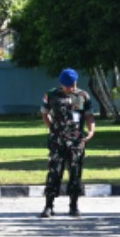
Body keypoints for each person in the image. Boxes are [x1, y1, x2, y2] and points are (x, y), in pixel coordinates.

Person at [40, 69, 95, 218]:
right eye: (67, 85)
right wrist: (52, 128)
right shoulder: (51, 94)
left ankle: (74, 205)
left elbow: (89, 116)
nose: (70, 88)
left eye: (72, 85)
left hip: (77, 141)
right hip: (58, 141)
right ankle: (49, 206)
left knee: (75, 173)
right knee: (54, 172)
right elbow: (45, 113)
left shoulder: (83, 95)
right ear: (61, 83)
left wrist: (91, 131)